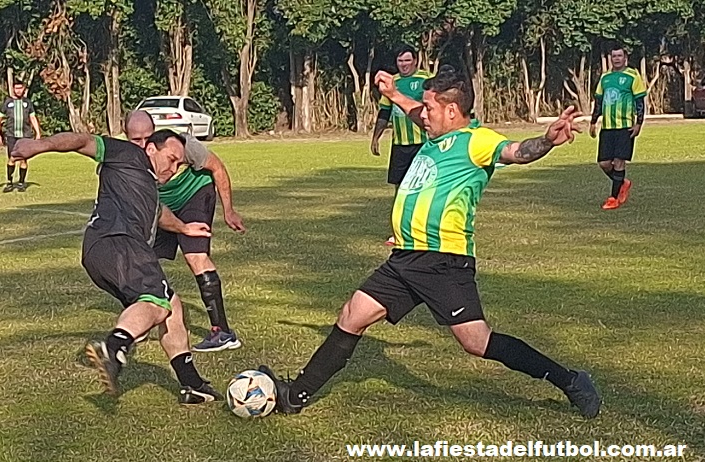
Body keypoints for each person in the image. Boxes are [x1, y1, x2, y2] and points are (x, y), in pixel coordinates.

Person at [258, 66, 602, 419]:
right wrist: (393, 95)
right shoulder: (436, 136)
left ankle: (571, 380)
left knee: (477, 341)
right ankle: (295, 396)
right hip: (405, 257)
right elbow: (414, 112)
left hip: (443, 261)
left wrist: (547, 141)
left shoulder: (476, 140)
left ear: (451, 110)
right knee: (352, 315)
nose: (423, 115)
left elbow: (517, 151)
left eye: (430, 108)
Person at [10, 129, 223, 404]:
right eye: (171, 159)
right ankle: (114, 347)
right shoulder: (128, 154)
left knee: (172, 306)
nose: (173, 169)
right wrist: (39, 145)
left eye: (178, 164)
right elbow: (82, 140)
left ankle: (192, 385)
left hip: (100, 252)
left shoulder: (148, 185)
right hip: (120, 243)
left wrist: (184, 228)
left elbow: (158, 213)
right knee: (157, 303)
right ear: (151, 149)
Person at [123, 111, 247, 352]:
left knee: (195, 255)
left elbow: (218, 169)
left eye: (148, 137)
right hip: (162, 209)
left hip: (195, 194)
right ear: (126, 136)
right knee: (140, 259)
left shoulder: (182, 145)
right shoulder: (123, 158)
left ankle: (222, 332)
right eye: (136, 140)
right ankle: (140, 321)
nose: (143, 144)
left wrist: (229, 211)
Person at [370, 45, 432, 246]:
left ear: (415, 61)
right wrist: (376, 137)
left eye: (407, 60)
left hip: (423, 143)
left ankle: (423, 230)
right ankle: (398, 233)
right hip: (400, 144)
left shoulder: (426, 79)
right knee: (400, 189)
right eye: (400, 61)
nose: (404, 64)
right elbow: (384, 112)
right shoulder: (392, 82)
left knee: (424, 188)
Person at [589, 46, 646, 210]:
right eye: (614, 56)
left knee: (619, 161)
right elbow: (599, 101)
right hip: (607, 127)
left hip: (625, 126)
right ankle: (622, 182)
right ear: (611, 58)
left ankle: (613, 198)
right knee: (604, 163)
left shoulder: (632, 76)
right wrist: (593, 121)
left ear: (625, 58)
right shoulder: (605, 78)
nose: (617, 59)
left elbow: (639, 101)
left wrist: (638, 123)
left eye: (619, 56)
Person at [0, 82, 42, 192]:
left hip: (25, 135)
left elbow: (33, 118)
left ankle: (21, 183)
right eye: (16, 88)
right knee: (11, 158)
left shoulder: (27, 103)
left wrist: (38, 132)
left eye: (20, 88)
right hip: (11, 135)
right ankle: (9, 183)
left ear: (24, 89)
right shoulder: (7, 102)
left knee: (23, 159)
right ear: (13, 89)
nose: (18, 90)